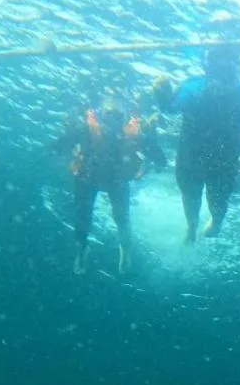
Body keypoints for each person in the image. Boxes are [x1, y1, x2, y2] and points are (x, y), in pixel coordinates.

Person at [153, 42, 240, 244]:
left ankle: (215, 221)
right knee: (191, 196)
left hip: (222, 162)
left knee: (218, 204)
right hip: (191, 159)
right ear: (207, 72)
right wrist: (163, 95)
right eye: (216, 73)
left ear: (237, 72)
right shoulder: (195, 89)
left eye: (227, 74)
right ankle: (192, 227)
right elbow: (170, 108)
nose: (221, 83)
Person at [53, 95, 165, 274]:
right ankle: (83, 249)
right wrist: (156, 161)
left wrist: (154, 160)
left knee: (118, 218)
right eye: (109, 115)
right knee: (87, 217)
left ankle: (121, 249)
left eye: (116, 116)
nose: (112, 121)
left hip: (108, 178)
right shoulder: (87, 128)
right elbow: (61, 145)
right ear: (101, 114)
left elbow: (59, 146)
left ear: (123, 117)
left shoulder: (133, 132)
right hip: (92, 177)